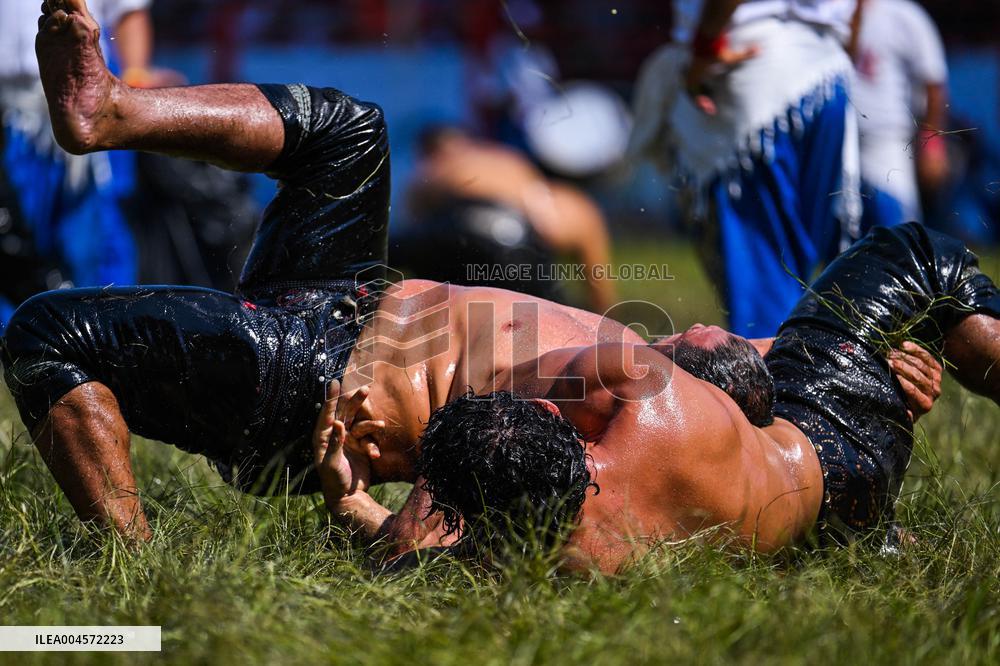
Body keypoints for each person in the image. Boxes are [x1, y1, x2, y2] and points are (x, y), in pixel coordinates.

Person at [0, 1, 938, 550]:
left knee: (45, 331)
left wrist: (358, 505)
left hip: (328, 383)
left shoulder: (629, 470)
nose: (716, 333)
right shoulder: (693, 384)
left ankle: (128, 559)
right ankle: (111, 110)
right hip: (359, 288)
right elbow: (794, 349)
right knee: (351, 131)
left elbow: (451, 533)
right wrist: (869, 368)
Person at [413, 222, 1000, 571]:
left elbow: (426, 552)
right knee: (919, 255)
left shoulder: (573, 557)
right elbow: (715, 349)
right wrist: (860, 359)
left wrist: (362, 513)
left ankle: (878, 537)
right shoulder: (632, 390)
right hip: (833, 438)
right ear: (549, 414)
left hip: (825, 520)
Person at [629, 0, 862, 337]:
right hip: (826, 74)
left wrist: (704, 50)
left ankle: (780, 384)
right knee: (799, 267)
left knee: (764, 279)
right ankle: (811, 370)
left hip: (748, 68)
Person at [0, 0, 155, 329]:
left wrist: (135, 82)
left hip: (79, 107)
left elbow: (128, 11)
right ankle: (18, 343)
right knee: (10, 243)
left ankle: (102, 336)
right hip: (9, 113)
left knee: (89, 241)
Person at [398, 126, 617, 313]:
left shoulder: (431, 169)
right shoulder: (512, 164)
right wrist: (602, 317)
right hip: (514, 240)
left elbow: (411, 232)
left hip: (451, 235)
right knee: (555, 322)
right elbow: (565, 226)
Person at [851, 0, 950, 229]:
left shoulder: (904, 15)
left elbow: (934, 84)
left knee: (897, 225)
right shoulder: (834, 12)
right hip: (841, 137)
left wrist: (932, 143)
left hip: (885, 139)